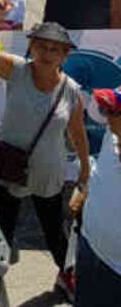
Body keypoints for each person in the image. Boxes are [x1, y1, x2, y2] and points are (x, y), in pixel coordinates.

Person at [0, 11, 89, 293]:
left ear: (65, 55)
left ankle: (66, 275)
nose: (47, 54)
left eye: (55, 49)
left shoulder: (72, 91)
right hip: (9, 166)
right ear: (31, 47)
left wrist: (86, 168)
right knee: (2, 226)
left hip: (47, 171)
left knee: (54, 230)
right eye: (42, 46)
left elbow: (77, 133)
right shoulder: (16, 70)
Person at [74, 87, 121, 304]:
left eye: (114, 112)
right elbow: (101, 166)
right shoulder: (112, 132)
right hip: (90, 246)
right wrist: (86, 191)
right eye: (106, 110)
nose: (107, 119)